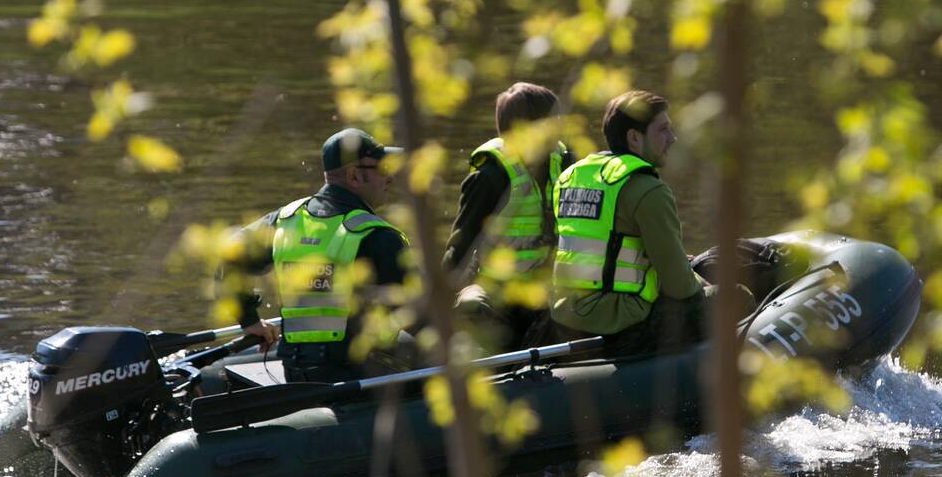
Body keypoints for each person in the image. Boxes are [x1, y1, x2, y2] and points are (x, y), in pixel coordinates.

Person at [219, 127, 410, 383]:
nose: (390, 179)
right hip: (360, 377)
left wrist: (248, 320)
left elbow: (228, 254)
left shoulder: (285, 220)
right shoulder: (379, 236)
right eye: (383, 170)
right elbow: (418, 316)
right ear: (354, 176)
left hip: (296, 372)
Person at [549, 90, 717, 356]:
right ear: (634, 138)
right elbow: (680, 287)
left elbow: (601, 244)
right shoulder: (648, 189)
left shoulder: (571, 177)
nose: (672, 139)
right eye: (663, 130)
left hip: (565, 316)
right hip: (621, 321)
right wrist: (700, 282)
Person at [442, 82, 574, 350]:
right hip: (499, 296)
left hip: (546, 292)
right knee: (472, 305)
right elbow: (460, 246)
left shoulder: (565, 163)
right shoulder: (490, 177)